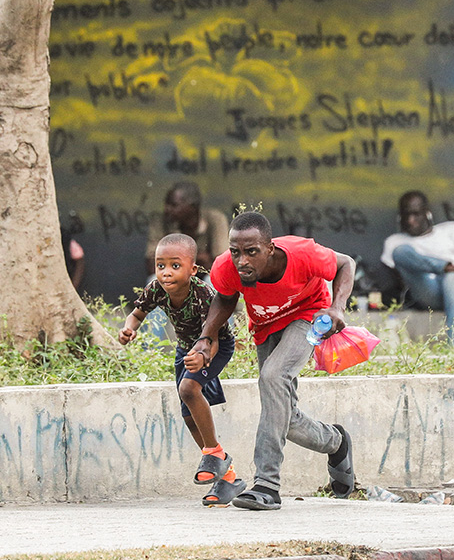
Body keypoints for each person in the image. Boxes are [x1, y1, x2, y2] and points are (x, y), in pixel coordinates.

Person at [188, 212, 356, 511]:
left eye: (251, 252)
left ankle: (267, 485)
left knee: (272, 376)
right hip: (266, 326)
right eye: (236, 252)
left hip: (308, 315)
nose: (242, 261)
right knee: (283, 416)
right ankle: (336, 442)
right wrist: (206, 338)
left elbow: (346, 263)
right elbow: (226, 298)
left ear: (270, 249)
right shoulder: (226, 267)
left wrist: (338, 307)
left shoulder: (302, 253)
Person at [118, 233, 245, 505]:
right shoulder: (155, 289)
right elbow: (137, 313)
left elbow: (212, 335)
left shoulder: (202, 294)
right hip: (186, 348)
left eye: (175, 266)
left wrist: (204, 357)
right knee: (188, 414)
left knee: (189, 388)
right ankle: (228, 477)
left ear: (193, 269)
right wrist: (130, 328)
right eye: (160, 265)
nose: (166, 273)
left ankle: (214, 453)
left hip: (216, 345)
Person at [380, 191, 454, 347]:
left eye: (416, 214)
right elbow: (399, 281)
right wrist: (445, 268)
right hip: (428, 292)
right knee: (400, 251)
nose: (411, 221)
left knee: (452, 278)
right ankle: (447, 268)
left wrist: (450, 273)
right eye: (406, 215)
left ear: (427, 213)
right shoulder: (394, 241)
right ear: (400, 217)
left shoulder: (452, 230)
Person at [146, 181, 230, 276]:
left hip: (204, 276)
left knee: (215, 281)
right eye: (166, 204)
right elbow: (152, 266)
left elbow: (223, 266)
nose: (167, 209)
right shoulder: (160, 221)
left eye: (174, 205)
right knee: (155, 280)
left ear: (193, 207)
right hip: (173, 276)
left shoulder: (215, 219)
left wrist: (173, 259)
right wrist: (197, 258)